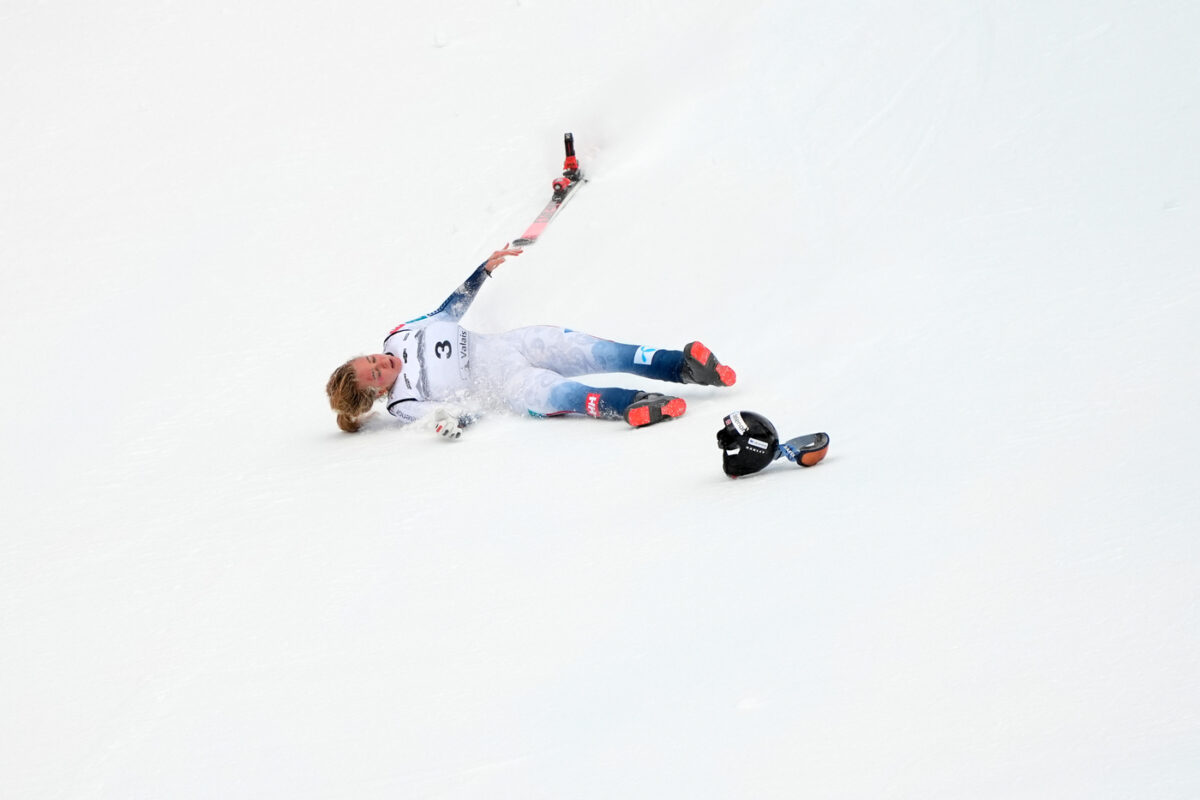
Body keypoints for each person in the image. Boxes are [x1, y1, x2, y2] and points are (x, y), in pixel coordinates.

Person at [326, 245, 736, 436]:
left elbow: (446, 313)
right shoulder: (402, 404)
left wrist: (482, 271)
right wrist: (451, 421)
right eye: (375, 374)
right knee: (566, 393)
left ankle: (682, 366)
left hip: (515, 345)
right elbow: (455, 414)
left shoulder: (396, 336)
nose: (381, 363)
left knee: (598, 351)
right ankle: (634, 406)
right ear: (377, 392)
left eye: (370, 359)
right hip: (511, 389)